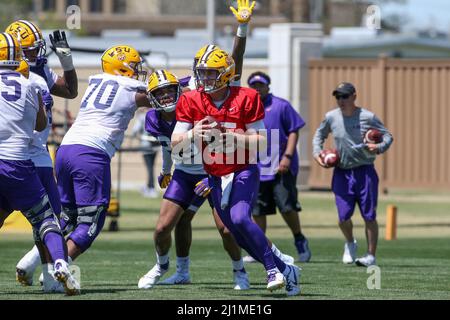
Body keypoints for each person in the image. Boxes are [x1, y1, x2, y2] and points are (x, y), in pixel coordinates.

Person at [172, 48, 301, 296]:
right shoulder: (191, 99)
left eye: (210, 73)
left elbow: (262, 142)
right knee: (235, 234)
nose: (205, 79)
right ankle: (287, 269)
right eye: (202, 73)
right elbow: (176, 143)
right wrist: (191, 134)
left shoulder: (246, 97)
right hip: (214, 176)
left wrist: (231, 136)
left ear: (225, 74)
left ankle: (272, 270)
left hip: (243, 169)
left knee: (241, 218)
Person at [138, 70, 250, 290]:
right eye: (160, 93)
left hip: (213, 171)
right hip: (183, 173)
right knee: (162, 228)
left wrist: (212, 177)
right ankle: (167, 268)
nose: (166, 96)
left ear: (179, 90)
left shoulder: (195, 106)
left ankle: (239, 271)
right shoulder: (153, 118)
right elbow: (166, 145)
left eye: (170, 90)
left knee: (226, 229)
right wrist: (165, 170)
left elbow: (223, 144)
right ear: (151, 98)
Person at [53, 45, 151, 265]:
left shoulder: (96, 81)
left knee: (66, 219)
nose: (138, 71)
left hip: (66, 148)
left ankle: (29, 264)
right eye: (134, 67)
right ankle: (58, 267)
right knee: (90, 223)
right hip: (90, 154)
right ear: (122, 68)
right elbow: (163, 95)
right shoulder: (131, 86)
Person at [0, 32, 79, 295]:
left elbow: (70, 90)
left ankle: (46, 275)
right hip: (23, 159)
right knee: (49, 219)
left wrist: (66, 60)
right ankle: (54, 271)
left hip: (31, 155)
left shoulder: (39, 72)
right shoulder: (32, 81)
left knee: (49, 218)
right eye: (27, 50)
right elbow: (41, 123)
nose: (33, 55)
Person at [312, 82, 393, 267]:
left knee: (369, 216)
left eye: (345, 96)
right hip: (341, 172)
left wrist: (378, 147)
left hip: (365, 171)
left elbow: (388, 136)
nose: (341, 100)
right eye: (338, 96)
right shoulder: (331, 117)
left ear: (354, 96)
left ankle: (370, 255)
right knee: (343, 217)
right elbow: (319, 135)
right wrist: (318, 154)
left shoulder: (367, 116)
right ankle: (350, 243)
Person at [244, 71, 311, 263]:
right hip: (256, 167)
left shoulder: (281, 105)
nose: (257, 89)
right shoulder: (247, 108)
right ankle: (259, 248)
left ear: (268, 86)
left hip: (280, 166)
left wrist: (287, 157)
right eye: (253, 85)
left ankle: (299, 239)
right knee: (257, 210)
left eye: (260, 85)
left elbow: (293, 131)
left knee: (287, 207)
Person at [131, 108, 159, 198]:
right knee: (151, 167)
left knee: (149, 167)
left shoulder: (142, 117)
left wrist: (139, 138)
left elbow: (134, 131)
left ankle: (151, 188)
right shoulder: (156, 116)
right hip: (155, 145)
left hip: (145, 145)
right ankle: (149, 187)